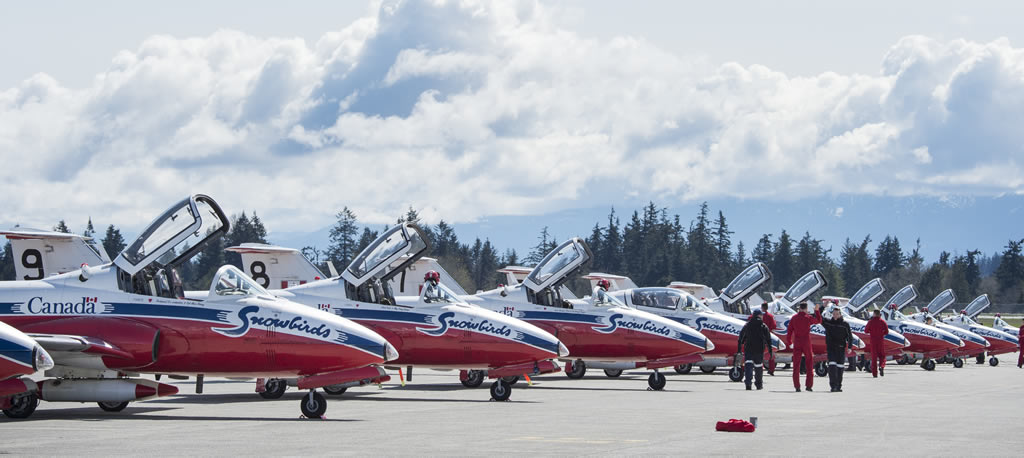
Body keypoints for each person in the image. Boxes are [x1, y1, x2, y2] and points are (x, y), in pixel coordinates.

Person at [785, 302, 821, 392]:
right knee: (809, 363)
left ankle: (797, 386)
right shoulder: (808, 318)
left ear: (799, 308)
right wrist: (817, 311)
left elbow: (789, 331)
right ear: (806, 308)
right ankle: (809, 386)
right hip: (806, 342)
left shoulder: (794, 318)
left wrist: (789, 342)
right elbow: (819, 321)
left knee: (796, 365)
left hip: (797, 342)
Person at [738, 309, 774, 390]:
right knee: (758, 367)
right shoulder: (763, 326)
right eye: (761, 315)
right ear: (759, 315)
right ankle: (759, 385)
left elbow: (741, 338)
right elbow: (768, 339)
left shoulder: (747, 325)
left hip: (749, 349)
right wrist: (770, 351)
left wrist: (739, 349)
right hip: (759, 350)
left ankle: (748, 384)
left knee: (748, 366)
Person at [820, 305, 853, 392]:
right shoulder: (829, 323)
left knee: (840, 368)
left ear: (840, 315)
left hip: (841, 349)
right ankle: (833, 386)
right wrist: (821, 307)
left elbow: (850, 336)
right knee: (832, 367)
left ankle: (838, 386)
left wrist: (849, 347)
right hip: (831, 349)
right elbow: (819, 318)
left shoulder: (845, 324)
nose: (835, 315)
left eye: (837, 314)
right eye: (834, 314)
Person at [865, 309, 889, 377]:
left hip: (873, 341)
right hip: (880, 341)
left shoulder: (870, 322)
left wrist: (871, 332)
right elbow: (887, 332)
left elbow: (866, 331)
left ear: (874, 314)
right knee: (882, 356)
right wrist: (881, 333)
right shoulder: (883, 322)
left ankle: (875, 374)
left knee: (874, 358)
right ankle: (882, 366)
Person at [759, 302, 778, 375]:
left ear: (762, 307)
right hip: (768, 337)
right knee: (771, 354)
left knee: (759, 354)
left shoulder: (758, 316)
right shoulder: (770, 316)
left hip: (759, 338)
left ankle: (760, 368)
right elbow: (774, 326)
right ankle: (771, 370)